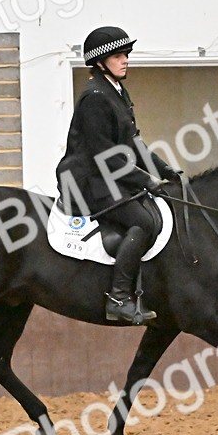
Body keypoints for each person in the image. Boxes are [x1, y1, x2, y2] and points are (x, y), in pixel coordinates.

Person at [56, 26, 181, 324]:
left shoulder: (117, 92)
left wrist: (166, 171)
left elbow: (133, 144)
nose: (125, 60)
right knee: (143, 220)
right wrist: (145, 181)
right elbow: (104, 156)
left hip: (107, 177)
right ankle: (119, 298)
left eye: (126, 54)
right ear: (100, 62)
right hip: (86, 182)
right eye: (118, 55)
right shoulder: (95, 97)